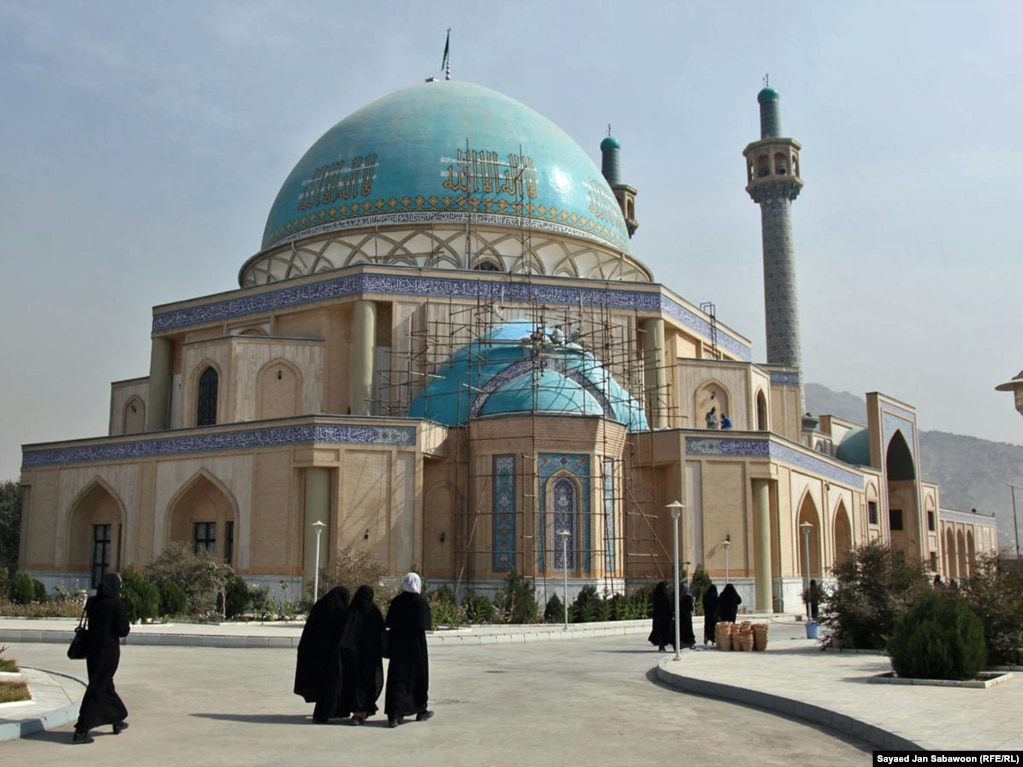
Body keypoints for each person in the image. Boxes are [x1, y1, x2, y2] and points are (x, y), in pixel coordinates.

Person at [73, 572, 131, 744]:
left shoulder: (92, 602)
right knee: (98, 687)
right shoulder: (115, 604)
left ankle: (117, 718)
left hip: (92, 651)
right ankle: (81, 729)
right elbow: (123, 630)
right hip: (108, 651)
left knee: (104, 683)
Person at [294, 586, 350, 723]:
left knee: (322, 685)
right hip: (332, 654)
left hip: (316, 653)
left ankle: (323, 712)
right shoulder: (340, 610)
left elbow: (310, 630)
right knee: (332, 684)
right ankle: (326, 713)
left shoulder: (320, 606)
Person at [384, 572, 433, 727]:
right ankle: (420, 709)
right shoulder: (420, 602)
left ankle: (395, 715)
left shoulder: (397, 602)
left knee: (398, 679)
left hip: (398, 646)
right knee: (417, 677)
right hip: (416, 647)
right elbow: (425, 624)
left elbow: (389, 622)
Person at [339, 585, 386, 725]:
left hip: (352, 655)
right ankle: (361, 711)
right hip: (370, 656)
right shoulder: (374, 612)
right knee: (368, 682)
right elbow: (381, 633)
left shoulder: (351, 611)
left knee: (355, 682)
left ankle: (358, 711)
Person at [647, 581, 674, 652]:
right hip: (665, 617)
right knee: (665, 631)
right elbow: (669, 605)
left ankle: (661, 645)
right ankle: (663, 645)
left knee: (659, 631)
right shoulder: (665, 595)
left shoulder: (655, 595)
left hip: (657, 617)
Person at [678, 582, 696, 649]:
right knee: (688, 629)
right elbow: (691, 608)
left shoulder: (679, 597)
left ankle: (682, 642)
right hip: (687, 616)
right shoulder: (689, 597)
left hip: (681, 616)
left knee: (683, 630)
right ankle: (689, 643)